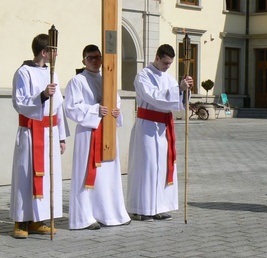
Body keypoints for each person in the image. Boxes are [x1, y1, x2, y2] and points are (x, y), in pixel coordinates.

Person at [64, 44, 131, 230]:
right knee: (86, 173)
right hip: (88, 133)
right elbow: (71, 107)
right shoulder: (77, 81)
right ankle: (84, 218)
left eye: (98, 57)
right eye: (90, 58)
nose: (95, 61)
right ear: (83, 60)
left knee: (108, 174)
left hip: (107, 132)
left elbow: (115, 102)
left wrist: (116, 113)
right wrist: (94, 110)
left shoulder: (107, 78)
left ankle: (110, 213)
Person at [10, 33, 69, 239]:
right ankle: (20, 220)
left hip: (49, 132)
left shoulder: (53, 73)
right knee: (26, 174)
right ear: (45, 52)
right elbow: (20, 102)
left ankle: (37, 219)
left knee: (47, 178)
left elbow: (58, 107)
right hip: (30, 132)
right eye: (54, 51)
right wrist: (42, 95)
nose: (57, 54)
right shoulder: (23, 73)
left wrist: (61, 136)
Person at [126, 44, 193, 221]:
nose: (167, 66)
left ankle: (159, 206)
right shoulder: (143, 76)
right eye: (165, 63)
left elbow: (178, 102)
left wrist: (186, 91)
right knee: (147, 166)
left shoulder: (169, 78)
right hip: (147, 126)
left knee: (162, 166)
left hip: (163, 128)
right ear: (157, 58)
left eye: (170, 64)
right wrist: (178, 89)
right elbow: (153, 97)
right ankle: (141, 208)